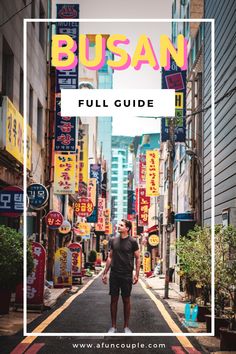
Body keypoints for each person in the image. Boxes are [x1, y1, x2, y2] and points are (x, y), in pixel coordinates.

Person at [102, 219, 140, 333]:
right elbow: (110, 257)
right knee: (113, 300)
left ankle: (126, 327)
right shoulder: (113, 240)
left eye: (121, 225)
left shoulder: (133, 242)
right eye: (119, 225)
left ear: (127, 228)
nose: (118, 226)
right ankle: (113, 326)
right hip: (114, 274)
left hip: (127, 274)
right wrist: (105, 273)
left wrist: (136, 274)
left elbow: (138, 258)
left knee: (126, 300)